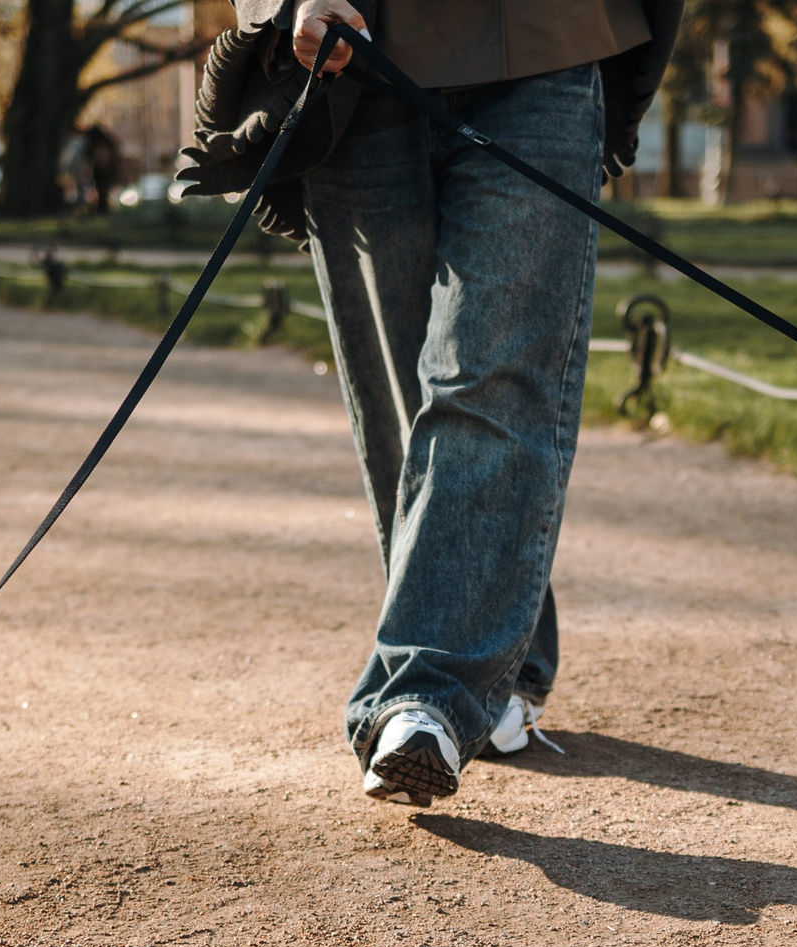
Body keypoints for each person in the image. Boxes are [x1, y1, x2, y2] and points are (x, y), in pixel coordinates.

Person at [247, 0, 678, 806]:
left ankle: (427, 696)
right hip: (354, 59)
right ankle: (506, 666)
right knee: (398, 403)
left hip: (547, 47)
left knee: (492, 377)